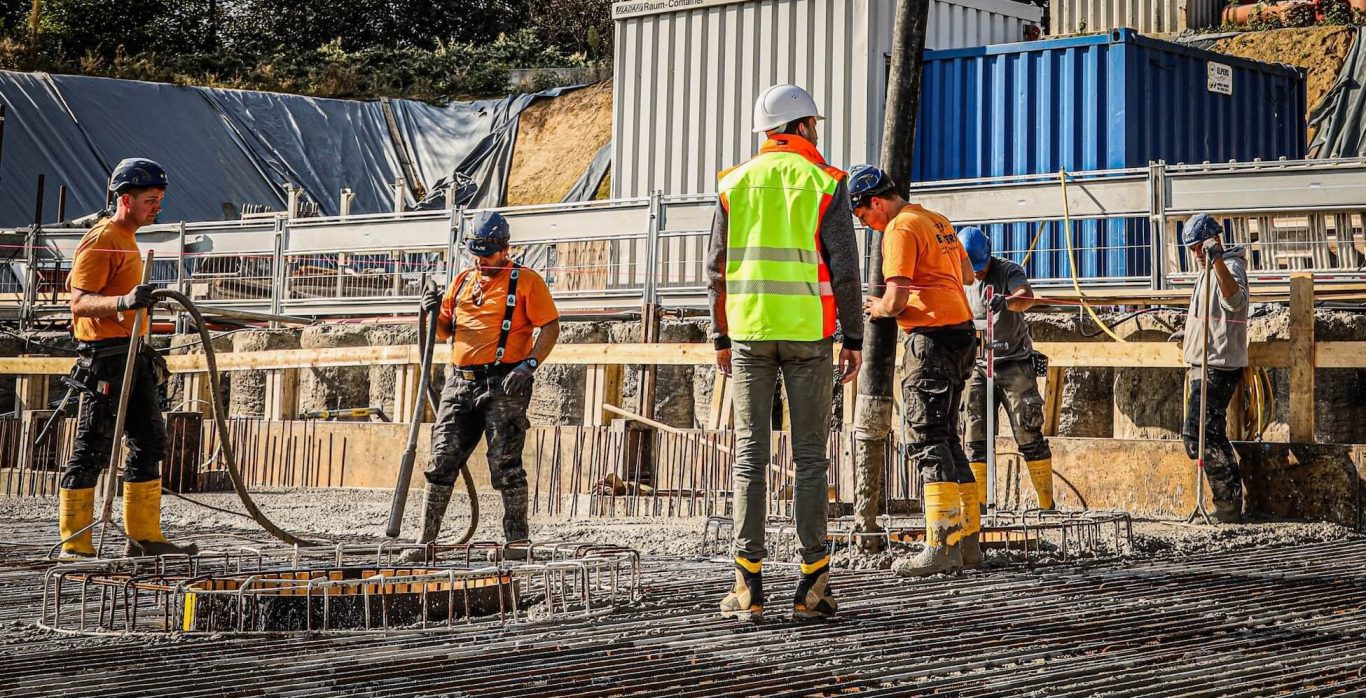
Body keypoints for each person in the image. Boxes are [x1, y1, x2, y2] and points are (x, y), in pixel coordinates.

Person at [707, 84, 864, 621]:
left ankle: (747, 586)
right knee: (811, 457)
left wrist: (720, 336)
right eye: (813, 124)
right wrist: (855, 336)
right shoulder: (826, 181)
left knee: (749, 458)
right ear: (799, 127)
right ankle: (812, 586)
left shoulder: (734, 183)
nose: (817, 131)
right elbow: (844, 267)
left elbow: (716, 268)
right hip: (809, 334)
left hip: (749, 334)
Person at [59, 158, 197, 558]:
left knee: (150, 440)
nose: (158, 207)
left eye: (159, 200)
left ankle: (144, 537)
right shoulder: (102, 238)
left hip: (132, 352)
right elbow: (80, 301)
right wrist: (124, 300)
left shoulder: (128, 237)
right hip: (105, 357)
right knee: (92, 446)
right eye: (151, 200)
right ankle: (77, 541)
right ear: (125, 198)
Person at [406, 211, 561, 559]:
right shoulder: (461, 282)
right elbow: (444, 330)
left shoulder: (526, 282)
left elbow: (550, 326)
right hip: (459, 382)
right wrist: (431, 311)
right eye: (475, 253)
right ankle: (425, 543)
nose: (481, 260)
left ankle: (517, 542)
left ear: (504, 249)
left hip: (503, 383)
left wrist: (529, 364)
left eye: (487, 253)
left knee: (505, 462)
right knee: (442, 458)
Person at [852, 164, 977, 578]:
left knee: (926, 438)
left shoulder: (900, 229)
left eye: (863, 217)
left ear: (875, 202)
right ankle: (967, 543)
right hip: (961, 333)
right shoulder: (935, 220)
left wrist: (877, 308)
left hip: (931, 339)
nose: (867, 226)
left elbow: (897, 297)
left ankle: (940, 546)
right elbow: (968, 274)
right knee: (948, 438)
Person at [959, 226, 1055, 519]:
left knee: (1028, 431)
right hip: (977, 364)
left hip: (1013, 362)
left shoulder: (1008, 270)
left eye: (980, 267)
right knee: (975, 436)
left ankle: (1046, 505)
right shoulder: (960, 278)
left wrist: (1007, 301)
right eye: (972, 268)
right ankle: (978, 508)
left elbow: (1026, 297)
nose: (977, 273)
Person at [1171, 213, 1249, 523]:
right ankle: (1227, 504)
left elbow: (1234, 302)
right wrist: (1189, 331)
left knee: (1199, 434)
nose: (1195, 255)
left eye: (1198, 248)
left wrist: (1216, 262)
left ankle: (1226, 503)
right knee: (1207, 433)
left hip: (1218, 364)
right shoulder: (1205, 271)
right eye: (1191, 249)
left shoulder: (1230, 267)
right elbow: (1211, 314)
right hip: (1202, 360)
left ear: (1214, 241)